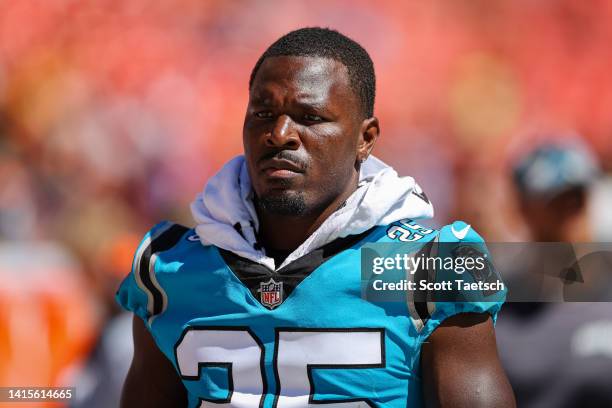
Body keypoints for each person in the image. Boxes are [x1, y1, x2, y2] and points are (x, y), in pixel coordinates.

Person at [117, 27, 514, 407]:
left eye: (310, 117)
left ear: (366, 138)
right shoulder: (169, 266)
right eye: (262, 113)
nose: (280, 133)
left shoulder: (428, 265)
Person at [496, 138, 612, 408]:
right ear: (522, 208)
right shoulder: (496, 309)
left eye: (577, 197)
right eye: (555, 200)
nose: (570, 210)